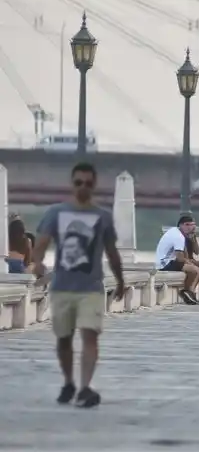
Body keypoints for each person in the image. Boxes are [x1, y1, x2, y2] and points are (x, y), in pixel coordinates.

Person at [30, 161, 125, 408]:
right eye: (78, 182)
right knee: (64, 339)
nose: (83, 187)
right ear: (72, 184)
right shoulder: (56, 213)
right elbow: (39, 246)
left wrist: (120, 280)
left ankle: (85, 388)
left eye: (88, 183)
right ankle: (69, 382)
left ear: (94, 186)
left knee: (90, 336)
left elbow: (112, 253)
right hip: (62, 286)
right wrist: (38, 264)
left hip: (91, 287)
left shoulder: (102, 217)